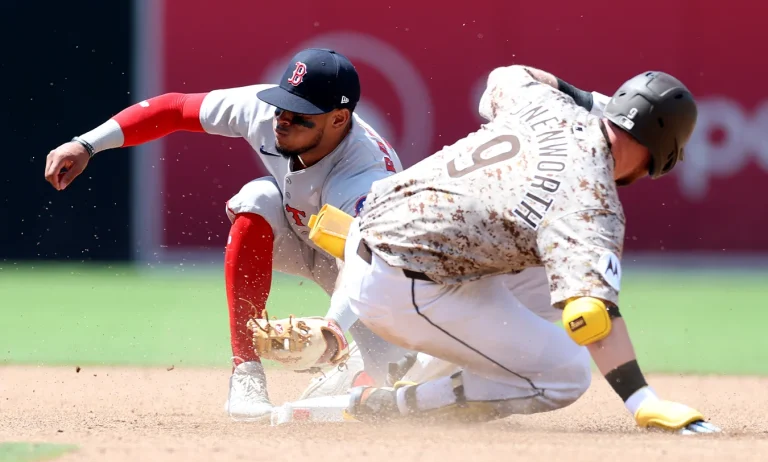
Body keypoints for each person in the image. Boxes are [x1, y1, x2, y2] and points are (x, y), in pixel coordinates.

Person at [332, 65, 720, 434]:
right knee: (566, 373)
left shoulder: (546, 103)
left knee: (548, 273)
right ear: (663, 155)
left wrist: (589, 101)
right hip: (397, 287)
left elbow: (507, 75)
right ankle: (397, 406)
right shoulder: (590, 202)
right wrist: (641, 400)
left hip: (365, 235)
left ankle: (415, 368)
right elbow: (591, 315)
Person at [44, 48, 416, 422]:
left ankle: (354, 368)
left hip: (375, 275)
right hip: (302, 233)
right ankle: (246, 372)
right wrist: (86, 144)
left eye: (300, 115)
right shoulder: (265, 112)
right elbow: (174, 108)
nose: (283, 120)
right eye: (282, 106)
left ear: (338, 118)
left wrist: (332, 329)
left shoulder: (366, 176)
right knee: (257, 199)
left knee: (399, 387)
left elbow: (363, 264)